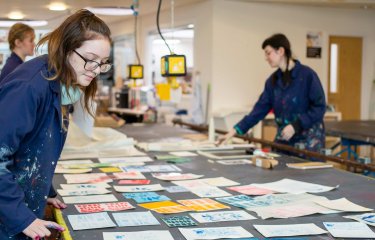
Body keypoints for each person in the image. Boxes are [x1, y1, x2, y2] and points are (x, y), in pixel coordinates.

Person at [0, 9, 112, 240]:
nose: (95, 69)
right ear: (65, 49)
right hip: (8, 217)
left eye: (102, 63)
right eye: (90, 59)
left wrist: (45, 190)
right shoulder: (28, 87)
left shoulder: (60, 84)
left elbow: (36, 147)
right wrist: (21, 217)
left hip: (23, 206)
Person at [217, 33, 326, 154]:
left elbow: (319, 108)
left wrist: (296, 126)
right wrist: (232, 132)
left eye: (268, 53)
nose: (266, 57)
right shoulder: (272, 82)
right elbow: (258, 111)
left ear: (280, 51)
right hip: (285, 142)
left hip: (308, 143)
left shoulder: (307, 76)